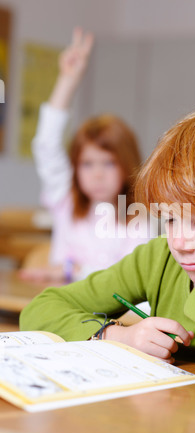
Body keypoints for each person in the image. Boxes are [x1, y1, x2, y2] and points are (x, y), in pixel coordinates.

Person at [20, 104, 195, 393]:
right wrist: (119, 337)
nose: (178, 242)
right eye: (170, 219)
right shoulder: (159, 258)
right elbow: (39, 310)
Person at [19, 28, 153, 283]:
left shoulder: (138, 216)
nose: (97, 174)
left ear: (128, 164)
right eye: (87, 164)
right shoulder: (66, 201)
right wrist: (67, 81)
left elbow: (128, 279)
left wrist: (72, 270)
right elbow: (46, 144)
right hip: (60, 305)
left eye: (109, 163)